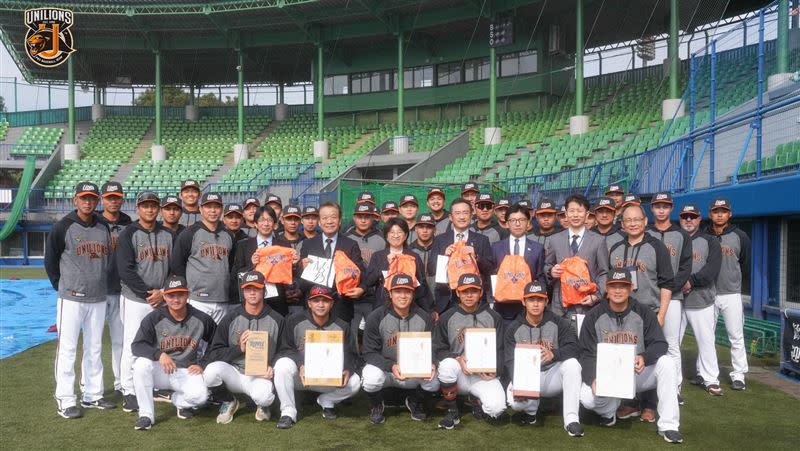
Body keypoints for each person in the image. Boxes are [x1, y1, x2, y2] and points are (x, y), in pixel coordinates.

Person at [578, 270, 683, 444]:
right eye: (613, 286)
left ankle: (669, 425)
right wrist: (592, 378)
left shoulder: (644, 312)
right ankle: (608, 411)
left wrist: (645, 357)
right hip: (607, 376)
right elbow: (584, 353)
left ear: (631, 287)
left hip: (637, 374)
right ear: (607, 288)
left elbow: (660, 343)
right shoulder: (593, 316)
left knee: (667, 363)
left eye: (623, 286)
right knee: (587, 398)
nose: (618, 291)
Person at [45, 182, 115, 419]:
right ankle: (65, 399)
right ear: (75, 200)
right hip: (71, 298)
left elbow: (108, 259)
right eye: (83, 198)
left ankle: (93, 394)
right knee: (67, 349)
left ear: (97, 201)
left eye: (92, 198)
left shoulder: (103, 226)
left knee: (94, 348)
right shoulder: (62, 227)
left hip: (97, 296)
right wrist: (62, 286)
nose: (88, 202)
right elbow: (51, 262)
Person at [608, 203, 675, 422]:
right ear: (623, 223)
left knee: (650, 356)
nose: (633, 223)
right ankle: (630, 402)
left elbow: (666, 283)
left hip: (650, 311)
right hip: (623, 313)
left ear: (645, 222)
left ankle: (650, 405)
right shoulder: (616, 248)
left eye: (637, 219)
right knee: (626, 354)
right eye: (628, 220)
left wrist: (662, 314)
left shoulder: (657, 247)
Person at [131, 275, 216, 430]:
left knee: (201, 397)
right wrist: (159, 354)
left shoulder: (201, 319)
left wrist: (203, 363)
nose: (176, 300)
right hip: (161, 370)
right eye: (171, 295)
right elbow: (137, 346)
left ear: (187, 295)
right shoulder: (154, 318)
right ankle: (146, 415)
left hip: (186, 371)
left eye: (180, 294)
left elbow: (217, 343)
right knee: (140, 365)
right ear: (164, 296)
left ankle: (177, 400)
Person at [116, 191, 174, 413]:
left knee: (159, 344)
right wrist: (150, 293)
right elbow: (126, 270)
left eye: (153, 205)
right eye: (145, 205)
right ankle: (128, 390)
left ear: (158, 208)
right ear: (137, 208)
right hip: (135, 299)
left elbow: (173, 268)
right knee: (132, 343)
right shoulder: (128, 233)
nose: (149, 209)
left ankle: (152, 386)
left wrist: (163, 292)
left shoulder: (167, 234)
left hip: (161, 299)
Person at [273, 286, 361, 429]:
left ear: (332, 304)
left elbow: (351, 354)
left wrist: (347, 368)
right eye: (316, 301)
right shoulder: (294, 321)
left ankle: (327, 400)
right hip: (302, 377)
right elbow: (285, 349)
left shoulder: (342, 325)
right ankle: (288, 412)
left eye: (325, 301)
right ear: (309, 303)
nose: (320, 305)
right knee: (282, 365)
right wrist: (301, 364)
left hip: (328, 378)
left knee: (355, 381)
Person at [204, 271, 285, 424]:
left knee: (265, 397)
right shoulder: (230, 317)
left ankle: (262, 406)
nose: (252, 293)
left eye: (257, 288)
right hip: (234, 372)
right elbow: (214, 353)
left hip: (260, 375)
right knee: (210, 372)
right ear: (243, 292)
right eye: (248, 289)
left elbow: (284, 351)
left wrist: (272, 368)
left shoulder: (277, 319)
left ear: (264, 291)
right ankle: (229, 401)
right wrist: (239, 348)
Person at [504, 281, 583, 437]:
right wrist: (518, 383)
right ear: (523, 301)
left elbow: (574, 348)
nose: (535, 304)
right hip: (526, 377)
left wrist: (554, 353)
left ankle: (571, 419)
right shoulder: (513, 328)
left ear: (546, 302)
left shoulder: (559, 322)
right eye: (531, 300)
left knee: (573, 364)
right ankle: (531, 412)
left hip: (551, 376)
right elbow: (509, 360)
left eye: (539, 300)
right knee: (515, 402)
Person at [361, 273, 439, 424]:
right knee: (370, 378)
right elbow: (369, 353)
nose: (403, 296)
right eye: (398, 291)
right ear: (390, 293)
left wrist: (432, 362)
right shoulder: (376, 317)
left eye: (407, 291)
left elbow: (433, 346)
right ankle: (377, 405)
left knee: (435, 380)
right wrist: (391, 366)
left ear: (413, 294)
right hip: (386, 371)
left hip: (412, 372)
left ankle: (415, 401)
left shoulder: (424, 317)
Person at [434, 274, 506, 429]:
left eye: (473, 291)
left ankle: (475, 400)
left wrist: (496, 370)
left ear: (480, 293)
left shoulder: (494, 317)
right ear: (457, 292)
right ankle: (453, 411)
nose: (469, 295)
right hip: (459, 373)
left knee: (496, 409)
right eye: (465, 291)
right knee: (446, 365)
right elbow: (438, 349)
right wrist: (457, 358)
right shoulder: (447, 317)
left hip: (483, 375)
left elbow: (501, 349)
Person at [647, 193, 692, 392]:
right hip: (648, 297)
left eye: (665, 206)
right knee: (646, 343)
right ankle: (646, 391)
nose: (661, 209)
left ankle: (675, 388)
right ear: (652, 209)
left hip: (673, 297)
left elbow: (685, 267)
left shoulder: (681, 234)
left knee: (672, 343)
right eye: (658, 206)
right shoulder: (646, 233)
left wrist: (669, 288)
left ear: (671, 208)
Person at [678, 204, 723, 396]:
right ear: (680, 219)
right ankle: (672, 383)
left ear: (699, 219)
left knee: (706, 341)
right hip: (676, 300)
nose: (689, 220)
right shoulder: (674, 238)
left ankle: (710, 379)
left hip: (701, 299)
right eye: (685, 216)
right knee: (672, 344)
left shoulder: (710, 240)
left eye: (692, 217)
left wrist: (690, 282)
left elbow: (712, 269)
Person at [706, 198, 751, 390]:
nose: (719, 214)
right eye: (716, 211)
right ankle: (706, 374)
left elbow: (745, 266)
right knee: (707, 337)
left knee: (736, 336)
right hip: (707, 293)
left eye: (723, 211)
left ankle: (738, 375)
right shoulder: (703, 235)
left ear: (729, 214)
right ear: (710, 214)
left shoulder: (740, 236)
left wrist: (736, 285)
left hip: (731, 293)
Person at [170, 192, 234, 323]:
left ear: (221, 209)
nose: (212, 210)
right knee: (197, 340)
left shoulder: (227, 235)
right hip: (198, 299)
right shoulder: (190, 233)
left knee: (217, 341)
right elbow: (177, 263)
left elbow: (231, 264)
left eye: (216, 207)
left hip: (222, 298)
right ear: (200, 209)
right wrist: (190, 286)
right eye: (208, 206)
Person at [298, 202, 366, 322]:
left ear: (339, 221)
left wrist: (362, 288)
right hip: (314, 306)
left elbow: (361, 272)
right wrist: (301, 266)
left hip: (341, 306)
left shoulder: (350, 245)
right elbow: (300, 276)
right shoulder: (308, 244)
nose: (329, 221)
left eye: (333, 217)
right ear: (319, 222)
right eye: (324, 218)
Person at [359, 218, 431, 331]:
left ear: (406, 235)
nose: (396, 235)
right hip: (382, 306)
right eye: (392, 232)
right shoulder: (378, 256)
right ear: (386, 236)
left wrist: (428, 310)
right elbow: (369, 281)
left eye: (399, 232)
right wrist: (386, 265)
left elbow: (422, 285)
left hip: (409, 307)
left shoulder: (414, 257)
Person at [427, 198, 495, 317]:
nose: (462, 217)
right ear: (450, 217)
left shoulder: (482, 240)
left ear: (471, 215)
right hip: (447, 299)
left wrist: (476, 257)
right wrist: (444, 257)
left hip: (474, 299)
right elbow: (431, 269)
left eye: (465, 213)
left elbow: (490, 269)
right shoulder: (440, 240)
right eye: (457, 213)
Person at [544, 194, 609, 317]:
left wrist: (596, 296)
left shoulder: (599, 241)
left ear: (587, 214)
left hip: (588, 306)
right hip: (560, 307)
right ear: (566, 214)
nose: (575, 215)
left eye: (579, 211)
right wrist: (551, 272)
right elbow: (547, 265)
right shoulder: (554, 240)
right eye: (572, 211)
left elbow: (603, 272)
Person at [96, 181, 132, 397]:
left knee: (120, 340)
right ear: (102, 199)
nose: (113, 201)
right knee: (93, 343)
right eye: (109, 197)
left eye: (116, 197)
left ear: (122, 199)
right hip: (96, 291)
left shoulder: (129, 224)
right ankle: (90, 387)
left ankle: (120, 383)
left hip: (120, 290)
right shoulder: (93, 222)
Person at [230, 205, 296, 316]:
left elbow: (289, 276)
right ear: (255, 224)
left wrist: (294, 264)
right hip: (252, 301)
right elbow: (236, 275)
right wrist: (252, 265)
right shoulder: (243, 245)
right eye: (261, 220)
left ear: (275, 224)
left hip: (277, 302)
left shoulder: (284, 245)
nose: (265, 224)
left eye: (269, 220)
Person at [490, 203, 545, 322]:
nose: (517, 224)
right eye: (513, 220)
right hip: (501, 308)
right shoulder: (496, 247)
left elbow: (540, 276)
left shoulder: (537, 248)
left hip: (527, 309)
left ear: (528, 223)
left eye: (521, 220)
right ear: (507, 223)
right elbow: (492, 275)